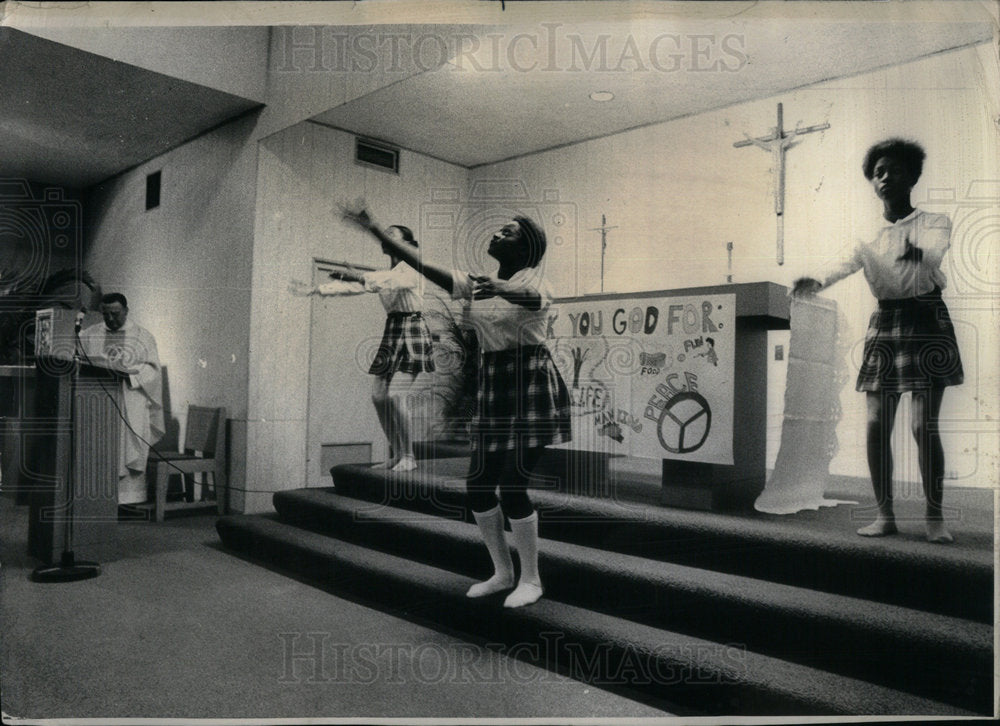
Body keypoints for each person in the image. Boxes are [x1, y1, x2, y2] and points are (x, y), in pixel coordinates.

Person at [342, 203, 571, 608]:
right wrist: (375, 228)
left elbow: (533, 296)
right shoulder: (474, 283)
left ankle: (532, 579)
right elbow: (424, 264)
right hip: (494, 384)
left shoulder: (536, 280)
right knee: (479, 487)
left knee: (513, 487)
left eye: (509, 232)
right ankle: (502, 572)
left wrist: (501, 287)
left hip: (530, 383)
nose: (498, 235)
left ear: (528, 248)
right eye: (498, 229)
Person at [793, 139, 963, 543]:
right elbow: (842, 263)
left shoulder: (935, 221)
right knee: (875, 424)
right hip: (886, 322)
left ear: (912, 177)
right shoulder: (866, 234)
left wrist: (917, 254)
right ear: (873, 182)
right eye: (878, 172)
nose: (886, 178)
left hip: (925, 319)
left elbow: (935, 253)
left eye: (895, 170)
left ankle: (934, 517)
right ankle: (884, 515)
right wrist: (815, 281)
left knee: (924, 426)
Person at [289, 225, 434, 472]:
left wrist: (358, 276)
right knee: (378, 397)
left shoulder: (413, 268)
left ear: (408, 244)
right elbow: (359, 286)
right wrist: (317, 289)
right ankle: (397, 454)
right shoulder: (386, 274)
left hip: (412, 329)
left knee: (396, 396)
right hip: (393, 330)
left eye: (392, 235)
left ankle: (409, 456)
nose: (384, 238)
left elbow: (384, 281)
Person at [79, 293, 164, 505]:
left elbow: (153, 370)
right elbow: (78, 359)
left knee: (128, 450)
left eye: (115, 314)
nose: (110, 319)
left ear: (126, 310)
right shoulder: (90, 334)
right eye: (106, 314)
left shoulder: (142, 336)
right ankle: (100, 499)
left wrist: (128, 374)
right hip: (99, 403)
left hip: (130, 400)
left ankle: (129, 500)